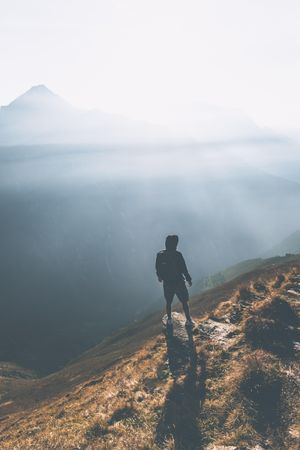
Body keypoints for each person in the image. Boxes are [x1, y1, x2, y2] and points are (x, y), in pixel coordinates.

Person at [155, 235, 194, 327]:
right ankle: (188, 320)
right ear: (175, 244)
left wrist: (160, 277)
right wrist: (189, 279)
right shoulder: (178, 255)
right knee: (184, 301)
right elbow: (184, 269)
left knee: (168, 302)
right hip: (179, 282)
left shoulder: (160, 255)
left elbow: (157, 268)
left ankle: (169, 319)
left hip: (167, 283)